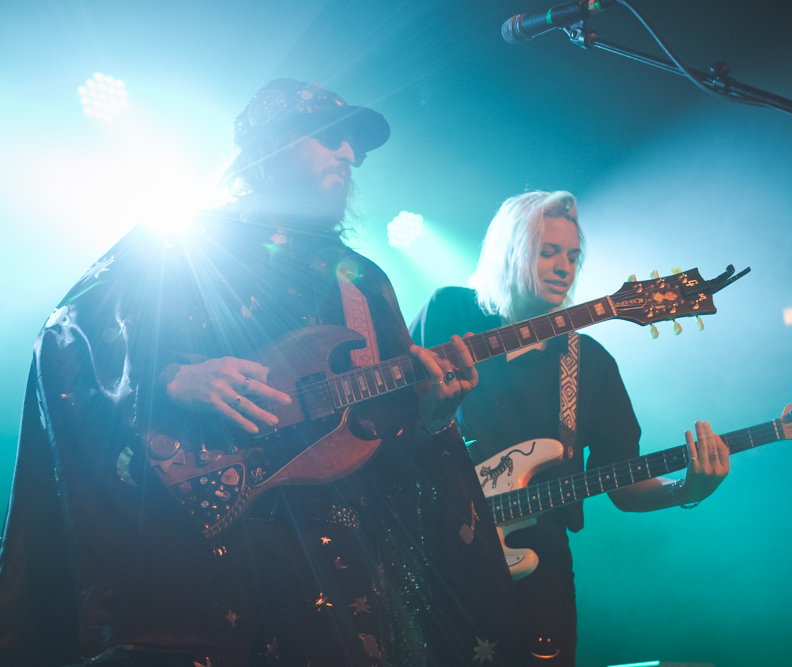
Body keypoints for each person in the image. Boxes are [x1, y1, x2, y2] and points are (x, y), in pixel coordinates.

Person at [0, 79, 528, 667]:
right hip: (204, 564)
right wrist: (171, 379)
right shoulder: (181, 245)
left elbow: (392, 447)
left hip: (340, 572)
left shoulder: (362, 279)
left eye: (354, 143)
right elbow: (68, 336)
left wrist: (430, 420)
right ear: (271, 146)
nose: (350, 156)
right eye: (332, 137)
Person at [409, 190, 731, 665]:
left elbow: (623, 481)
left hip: (537, 569)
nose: (565, 266)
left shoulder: (590, 362)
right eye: (549, 251)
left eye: (573, 256)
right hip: (434, 549)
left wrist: (687, 489)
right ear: (512, 251)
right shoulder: (450, 312)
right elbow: (396, 416)